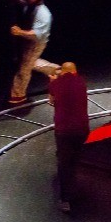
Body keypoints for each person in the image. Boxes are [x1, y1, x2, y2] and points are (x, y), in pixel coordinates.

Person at [43, 59, 89, 212]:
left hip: (64, 131)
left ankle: (65, 199)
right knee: (74, 158)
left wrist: (52, 81)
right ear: (75, 72)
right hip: (82, 129)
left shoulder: (55, 84)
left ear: (62, 72)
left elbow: (51, 102)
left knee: (64, 165)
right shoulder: (81, 82)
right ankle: (74, 175)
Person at [8, 0, 53, 105]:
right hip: (28, 42)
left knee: (24, 69)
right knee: (30, 63)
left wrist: (19, 32)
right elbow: (24, 4)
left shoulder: (44, 14)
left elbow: (35, 34)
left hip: (35, 44)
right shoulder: (31, 6)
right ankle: (56, 71)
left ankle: (18, 95)